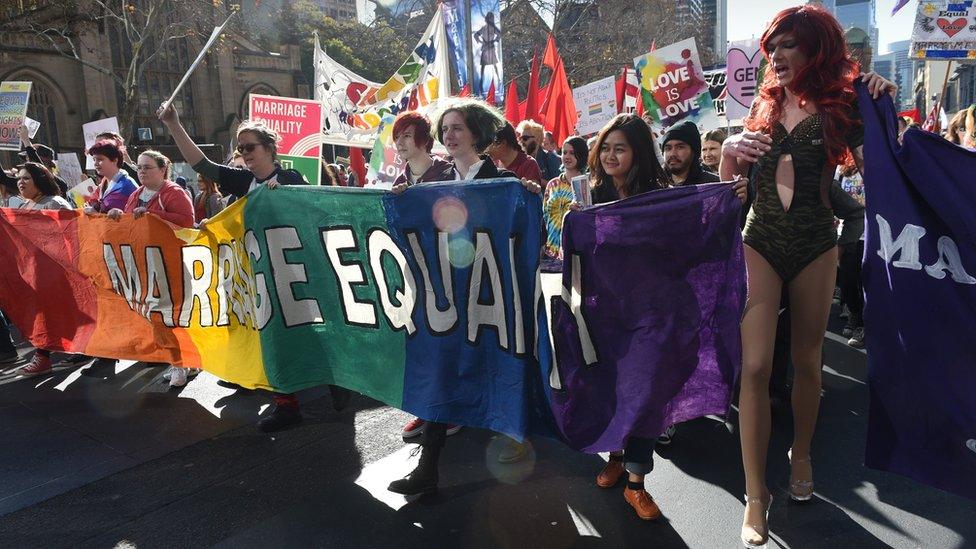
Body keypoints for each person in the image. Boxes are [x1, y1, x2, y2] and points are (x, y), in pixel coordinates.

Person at [718, 6, 895, 547]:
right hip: (760, 240)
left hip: (819, 241)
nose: (776, 56)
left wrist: (884, 102)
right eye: (773, 47)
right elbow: (727, 189)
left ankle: (801, 452)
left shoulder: (848, 103)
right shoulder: (762, 105)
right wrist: (728, 153)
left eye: (788, 45)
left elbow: (887, 170)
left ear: (815, 47)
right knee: (753, 366)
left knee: (808, 363)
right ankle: (754, 494)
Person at [587, 114, 746, 520]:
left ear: (637, 152)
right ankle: (616, 457)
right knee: (614, 388)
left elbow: (696, 244)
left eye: (619, 148)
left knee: (647, 395)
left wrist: (733, 199)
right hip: (608, 313)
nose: (609, 155)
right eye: (605, 147)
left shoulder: (663, 196)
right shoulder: (587, 194)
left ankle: (637, 482)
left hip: (658, 315)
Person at [159, 102, 353, 430]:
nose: (245, 153)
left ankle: (336, 378)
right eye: (240, 147)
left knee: (312, 333)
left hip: (296, 274)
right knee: (270, 336)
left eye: (250, 146)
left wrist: (289, 196)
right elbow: (201, 164)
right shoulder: (243, 181)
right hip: (259, 276)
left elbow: (317, 212)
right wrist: (174, 124)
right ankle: (286, 405)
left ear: (269, 149)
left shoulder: (290, 177)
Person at [387, 98, 541, 498]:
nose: (449, 135)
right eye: (446, 128)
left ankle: (513, 436)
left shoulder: (500, 180)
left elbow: (524, 226)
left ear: (477, 133)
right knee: (442, 369)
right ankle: (428, 467)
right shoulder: (436, 180)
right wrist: (405, 198)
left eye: (458, 128)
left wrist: (528, 195)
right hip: (450, 298)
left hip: (492, 293)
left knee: (499, 360)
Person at [389, 111, 462, 439]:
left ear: (422, 139)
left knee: (448, 340)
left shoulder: (448, 172)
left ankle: (450, 409)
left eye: (406, 135)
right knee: (419, 341)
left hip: (449, 272)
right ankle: (426, 408)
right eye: (397, 137)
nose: (400, 143)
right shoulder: (399, 182)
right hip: (415, 275)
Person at [13, 163, 74, 376]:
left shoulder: (55, 203)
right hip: (33, 272)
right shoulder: (22, 207)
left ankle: (43, 356)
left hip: (56, 272)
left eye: (27, 178)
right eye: (19, 178)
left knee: (49, 314)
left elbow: (72, 233)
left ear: (40, 180)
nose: (21, 182)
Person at [542, 135, 587, 260]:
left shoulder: (587, 184)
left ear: (581, 155)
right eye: (564, 152)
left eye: (572, 153)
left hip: (576, 253)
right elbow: (544, 215)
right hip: (550, 253)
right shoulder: (552, 184)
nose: (567, 156)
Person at [85, 139, 137, 214]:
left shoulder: (127, 185)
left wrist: (96, 213)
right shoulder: (103, 184)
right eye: (94, 160)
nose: (95, 164)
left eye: (100, 159)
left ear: (115, 160)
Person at [661, 120, 721, 186]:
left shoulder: (714, 185)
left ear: (694, 151)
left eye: (680, 147)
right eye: (668, 148)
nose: (672, 154)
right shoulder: (654, 185)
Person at [473, 11, 501, 91]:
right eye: (490, 18)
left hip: (490, 47)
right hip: (486, 47)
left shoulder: (493, 28)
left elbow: (499, 34)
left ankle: (498, 79)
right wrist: (481, 41)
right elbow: (476, 35)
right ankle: (481, 82)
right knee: (483, 66)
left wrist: (495, 40)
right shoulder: (484, 27)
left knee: (494, 64)